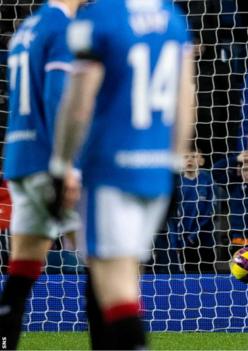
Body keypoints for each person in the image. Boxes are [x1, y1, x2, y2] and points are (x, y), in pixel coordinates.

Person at [47, 0, 195, 348]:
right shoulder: (173, 18)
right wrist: (173, 164)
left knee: (116, 290)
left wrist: (61, 164)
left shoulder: (99, 18)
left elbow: (79, 102)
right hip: (156, 172)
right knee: (118, 282)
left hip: (110, 170)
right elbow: (186, 98)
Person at [0, 1, 84, 349]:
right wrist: (64, 165)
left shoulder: (25, 30)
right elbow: (56, 97)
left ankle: (4, 342)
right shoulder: (61, 29)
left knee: (23, 267)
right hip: (48, 160)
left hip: (18, 159)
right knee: (111, 262)